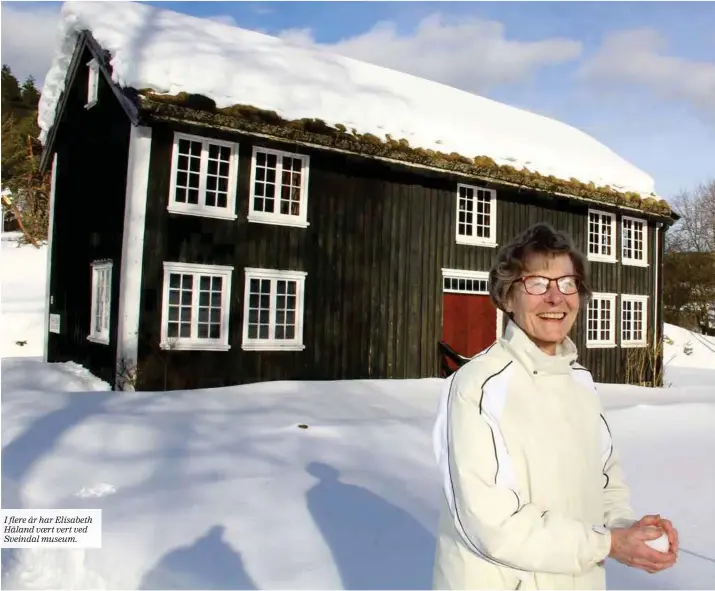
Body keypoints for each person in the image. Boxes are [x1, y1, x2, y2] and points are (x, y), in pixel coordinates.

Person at [432, 222, 678, 590]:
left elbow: (605, 479)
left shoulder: (579, 382)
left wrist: (629, 531)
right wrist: (608, 543)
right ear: (507, 296)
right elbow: (490, 524)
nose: (555, 298)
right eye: (536, 284)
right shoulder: (479, 386)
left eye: (567, 283)